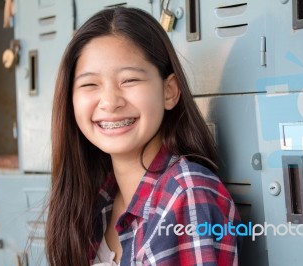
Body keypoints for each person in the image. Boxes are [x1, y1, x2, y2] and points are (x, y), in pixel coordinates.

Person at [45, 6, 240, 266]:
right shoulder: (95, 200)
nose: (110, 102)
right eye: (89, 84)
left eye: (129, 80)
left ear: (169, 91)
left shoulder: (186, 193)